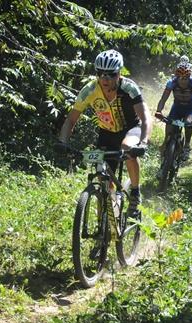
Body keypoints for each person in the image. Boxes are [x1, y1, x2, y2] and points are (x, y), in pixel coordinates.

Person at [58, 49, 152, 217]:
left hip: (131, 129)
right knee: (104, 181)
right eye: (100, 74)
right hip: (107, 133)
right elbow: (70, 120)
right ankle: (106, 227)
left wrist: (144, 142)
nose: (105, 79)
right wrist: (62, 143)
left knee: (127, 147)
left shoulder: (129, 88)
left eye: (111, 74)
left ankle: (135, 193)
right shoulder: (90, 90)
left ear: (119, 73)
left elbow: (145, 118)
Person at [155, 62, 192, 164]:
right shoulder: (171, 83)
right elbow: (163, 99)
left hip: (191, 108)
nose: (183, 81)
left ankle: (186, 145)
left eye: (185, 78)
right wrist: (158, 111)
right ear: (177, 76)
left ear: (189, 77)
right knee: (169, 122)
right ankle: (165, 143)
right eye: (180, 78)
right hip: (177, 107)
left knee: (188, 124)